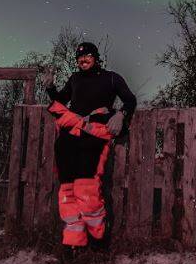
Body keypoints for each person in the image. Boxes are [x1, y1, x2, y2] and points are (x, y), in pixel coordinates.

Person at [46, 41, 136, 249]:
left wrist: (122, 115)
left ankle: (98, 241)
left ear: (96, 58)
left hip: (94, 137)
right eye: (79, 58)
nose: (82, 60)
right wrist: (51, 87)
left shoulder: (111, 78)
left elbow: (130, 99)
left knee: (86, 187)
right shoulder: (75, 79)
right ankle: (73, 243)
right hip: (69, 138)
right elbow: (61, 101)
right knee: (67, 190)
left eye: (87, 56)